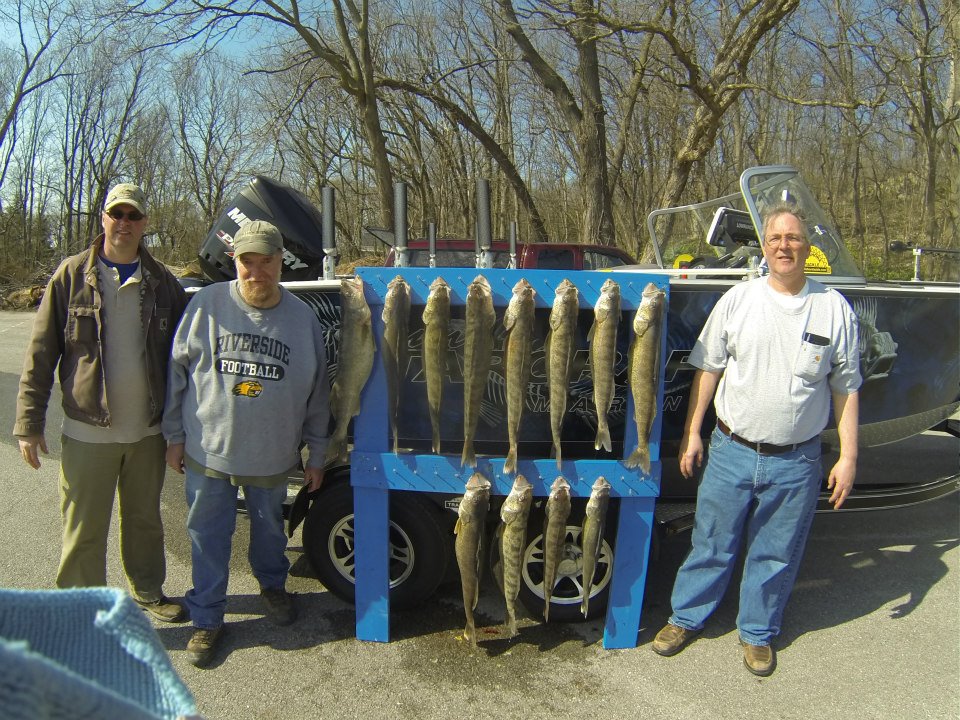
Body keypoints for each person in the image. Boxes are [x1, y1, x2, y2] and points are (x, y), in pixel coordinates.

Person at [652, 203, 861, 676]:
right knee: (711, 541)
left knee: (776, 551)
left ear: (808, 246)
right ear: (764, 247)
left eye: (793, 237)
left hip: (797, 461)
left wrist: (848, 456)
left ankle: (758, 633)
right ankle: (686, 617)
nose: (784, 246)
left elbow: (847, 389)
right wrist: (692, 434)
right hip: (731, 450)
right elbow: (708, 371)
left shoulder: (834, 309)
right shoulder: (738, 299)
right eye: (775, 238)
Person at [13, 182, 189, 623]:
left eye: (133, 216)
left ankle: (148, 591)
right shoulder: (71, 276)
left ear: (145, 224)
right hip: (87, 431)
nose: (124, 223)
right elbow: (40, 353)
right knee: (84, 529)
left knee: (145, 521)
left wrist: (182, 430)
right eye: (117, 214)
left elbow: (187, 360)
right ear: (103, 219)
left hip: (147, 433)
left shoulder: (164, 282)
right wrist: (28, 423)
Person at [162, 219, 330, 668]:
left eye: (267, 261)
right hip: (207, 450)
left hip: (273, 455)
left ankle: (273, 586)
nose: (256, 272)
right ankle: (207, 617)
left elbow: (318, 393)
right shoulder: (207, 305)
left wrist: (317, 450)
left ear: (281, 262)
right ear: (233, 261)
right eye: (247, 262)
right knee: (208, 535)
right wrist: (174, 438)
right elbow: (176, 376)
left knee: (270, 530)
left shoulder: (302, 318)